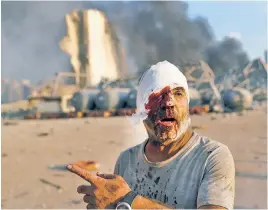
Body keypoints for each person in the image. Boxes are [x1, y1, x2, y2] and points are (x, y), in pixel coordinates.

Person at [67, 61, 235, 209]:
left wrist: (128, 200)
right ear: (141, 108)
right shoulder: (126, 160)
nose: (169, 103)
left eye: (178, 93)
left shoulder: (212, 157)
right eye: (157, 94)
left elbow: (126, 201)